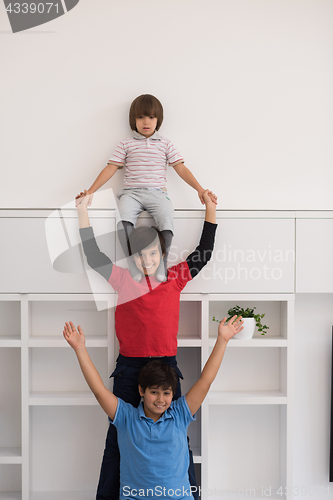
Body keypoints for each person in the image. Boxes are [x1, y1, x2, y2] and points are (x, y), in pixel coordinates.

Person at [77, 189, 217, 500]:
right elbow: (93, 256)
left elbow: (204, 252)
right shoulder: (122, 281)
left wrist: (209, 208)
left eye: (153, 253)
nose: (147, 259)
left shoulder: (176, 277)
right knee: (117, 440)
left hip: (166, 366)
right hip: (130, 368)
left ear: (162, 252)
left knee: (179, 437)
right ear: (132, 257)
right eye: (140, 254)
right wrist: (82, 212)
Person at [63, 315, 244, 500]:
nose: (160, 399)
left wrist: (222, 340)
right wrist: (80, 349)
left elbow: (206, 381)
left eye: (166, 393)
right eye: (154, 392)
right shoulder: (127, 418)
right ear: (141, 390)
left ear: (173, 394)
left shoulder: (180, 414)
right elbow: (99, 390)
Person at [75, 94, 217, 280]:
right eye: (141, 117)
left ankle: (161, 266)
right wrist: (91, 191)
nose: (146, 122)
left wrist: (199, 189)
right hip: (131, 194)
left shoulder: (165, 144)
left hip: (157, 193)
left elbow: (180, 168)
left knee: (167, 218)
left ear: (158, 119)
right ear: (133, 120)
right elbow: (110, 168)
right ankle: (134, 265)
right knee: (122, 222)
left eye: (151, 117)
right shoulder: (126, 144)